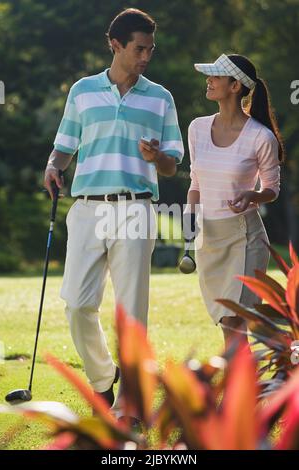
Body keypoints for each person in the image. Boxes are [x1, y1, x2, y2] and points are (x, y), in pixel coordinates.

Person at [43, 8, 184, 420]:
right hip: (87, 209)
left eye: (150, 50)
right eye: (139, 49)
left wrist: (158, 157)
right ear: (115, 44)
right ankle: (104, 377)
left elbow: (174, 163)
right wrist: (54, 166)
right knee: (77, 305)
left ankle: (129, 404)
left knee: (132, 311)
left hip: (137, 207)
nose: (145, 57)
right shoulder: (82, 91)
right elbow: (64, 146)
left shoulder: (161, 98)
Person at [186, 53, 283, 349]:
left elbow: (272, 188)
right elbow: (196, 181)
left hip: (245, 238)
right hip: (209, 239)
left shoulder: (261, 137)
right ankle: (246, 393)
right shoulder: (197, 128)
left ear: (235, 86)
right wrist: (190, 215)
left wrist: (253, 195)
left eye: (216, 76)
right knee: (226, 324)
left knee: (235, 322)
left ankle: (238, 395)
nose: (209, 80)